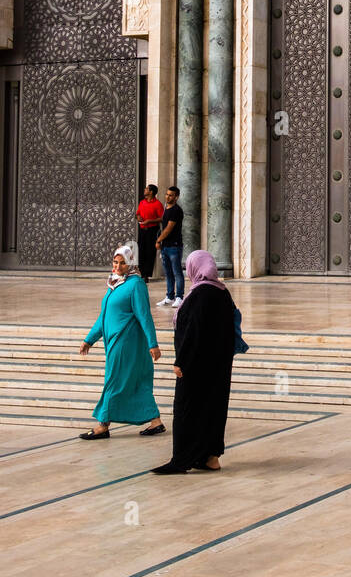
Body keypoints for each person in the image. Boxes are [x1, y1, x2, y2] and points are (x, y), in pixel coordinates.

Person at [152, 249, 237, 475]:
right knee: (213, 409)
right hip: (218, 366)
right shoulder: (222, 292)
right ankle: (211, 457)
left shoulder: (200, 294)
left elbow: (192, 331)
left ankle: (181, 459)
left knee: (186, 410)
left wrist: (181, 361)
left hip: (196, 367)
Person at [77, 242, 164, 439]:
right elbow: (104, 316)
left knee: (113, 380)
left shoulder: (136, 285)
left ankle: (103, 424)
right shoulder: (115, 284)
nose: (117, 267)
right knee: (136, 382)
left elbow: (144, 316)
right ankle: (155, 421)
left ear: (131, 264)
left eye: (122, 263)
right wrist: (89, 340)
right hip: (113, 341)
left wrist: (153, 343)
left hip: (126, 343)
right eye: (115, 262)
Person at [156, 185, 184, 308]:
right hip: (165, 246)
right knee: (168, 273)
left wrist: (158, 240)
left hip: (174, 246)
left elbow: (169, 228)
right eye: (167, 194)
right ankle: (169, 296)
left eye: (171, 195)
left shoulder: (176, 210)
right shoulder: (166, 208)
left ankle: (179, 297)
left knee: (177, 272)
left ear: (176, 197)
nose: (167, 197)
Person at [136, 183, 163, 282]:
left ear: (151, 192)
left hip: (152, 230)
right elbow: (137, 213)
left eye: (147, 189)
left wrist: (150, 221)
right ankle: (141, 273)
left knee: (150, 252)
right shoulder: (142, 202)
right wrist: (138, 217)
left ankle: (147, 275)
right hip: (142, 230)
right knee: (141, 251)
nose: (145, 190)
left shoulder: (158, 204)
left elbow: (161, 218)